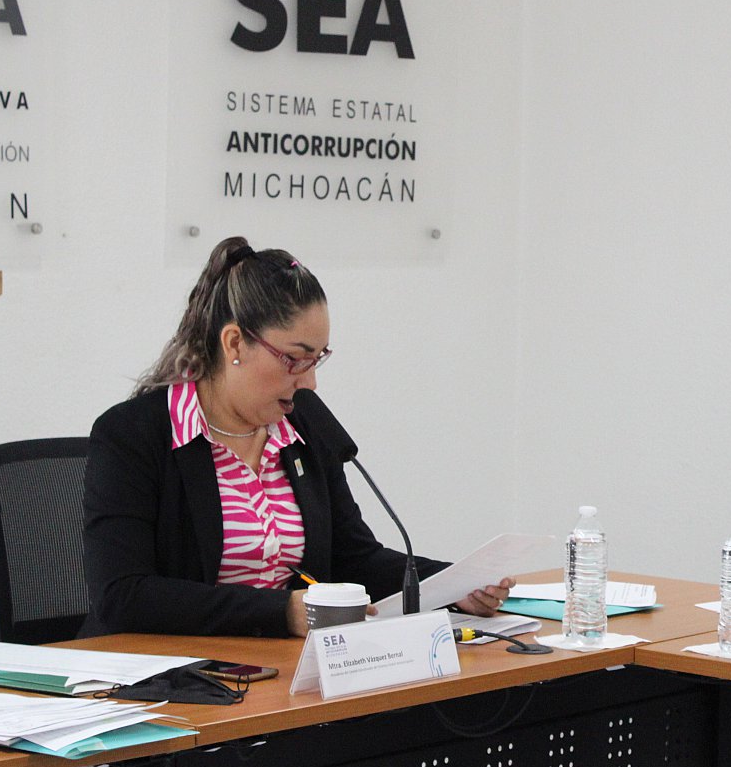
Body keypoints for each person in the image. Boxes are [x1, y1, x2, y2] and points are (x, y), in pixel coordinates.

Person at [82, 237, 511, 637]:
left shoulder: (303, 427)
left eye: (316, 360)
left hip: (279, 670)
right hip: (169, 674)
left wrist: (452, 585)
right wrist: (283, 611)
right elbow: (123, 595)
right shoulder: (134, 435)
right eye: (294, 359)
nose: (309, 383)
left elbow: (353, 558)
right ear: (234, 343)